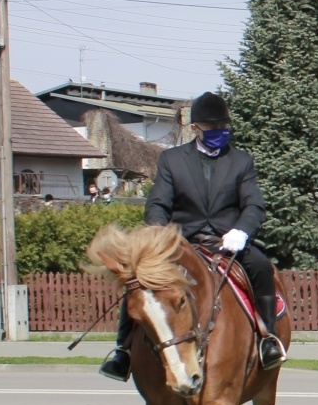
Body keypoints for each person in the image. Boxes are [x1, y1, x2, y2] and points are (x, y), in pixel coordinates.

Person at [98, 91, 286, 381]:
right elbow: (158, 203)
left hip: (227, 242)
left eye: (223, 127)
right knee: (141, 279)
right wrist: (159, 235)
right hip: (183, 242)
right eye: (212, 128)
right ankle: (123, 350)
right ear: (196, 128)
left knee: (261, 266)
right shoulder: (172, 160)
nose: (219, 132)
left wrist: (241, 231)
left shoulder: (241, 161)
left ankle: (267, 338)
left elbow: (254, 204)